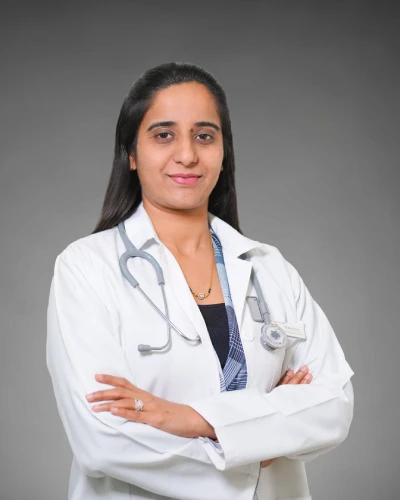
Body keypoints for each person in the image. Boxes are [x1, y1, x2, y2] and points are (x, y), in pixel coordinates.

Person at [46, 62, 354, 500]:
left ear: (224, 152)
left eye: (205, 136)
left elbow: (333, 405)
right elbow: (104, 443)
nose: (187, 155)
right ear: (131, 154)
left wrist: (193, 420)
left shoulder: (269, 268)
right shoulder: (86, 268)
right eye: (163, 135)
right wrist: (260, 441)